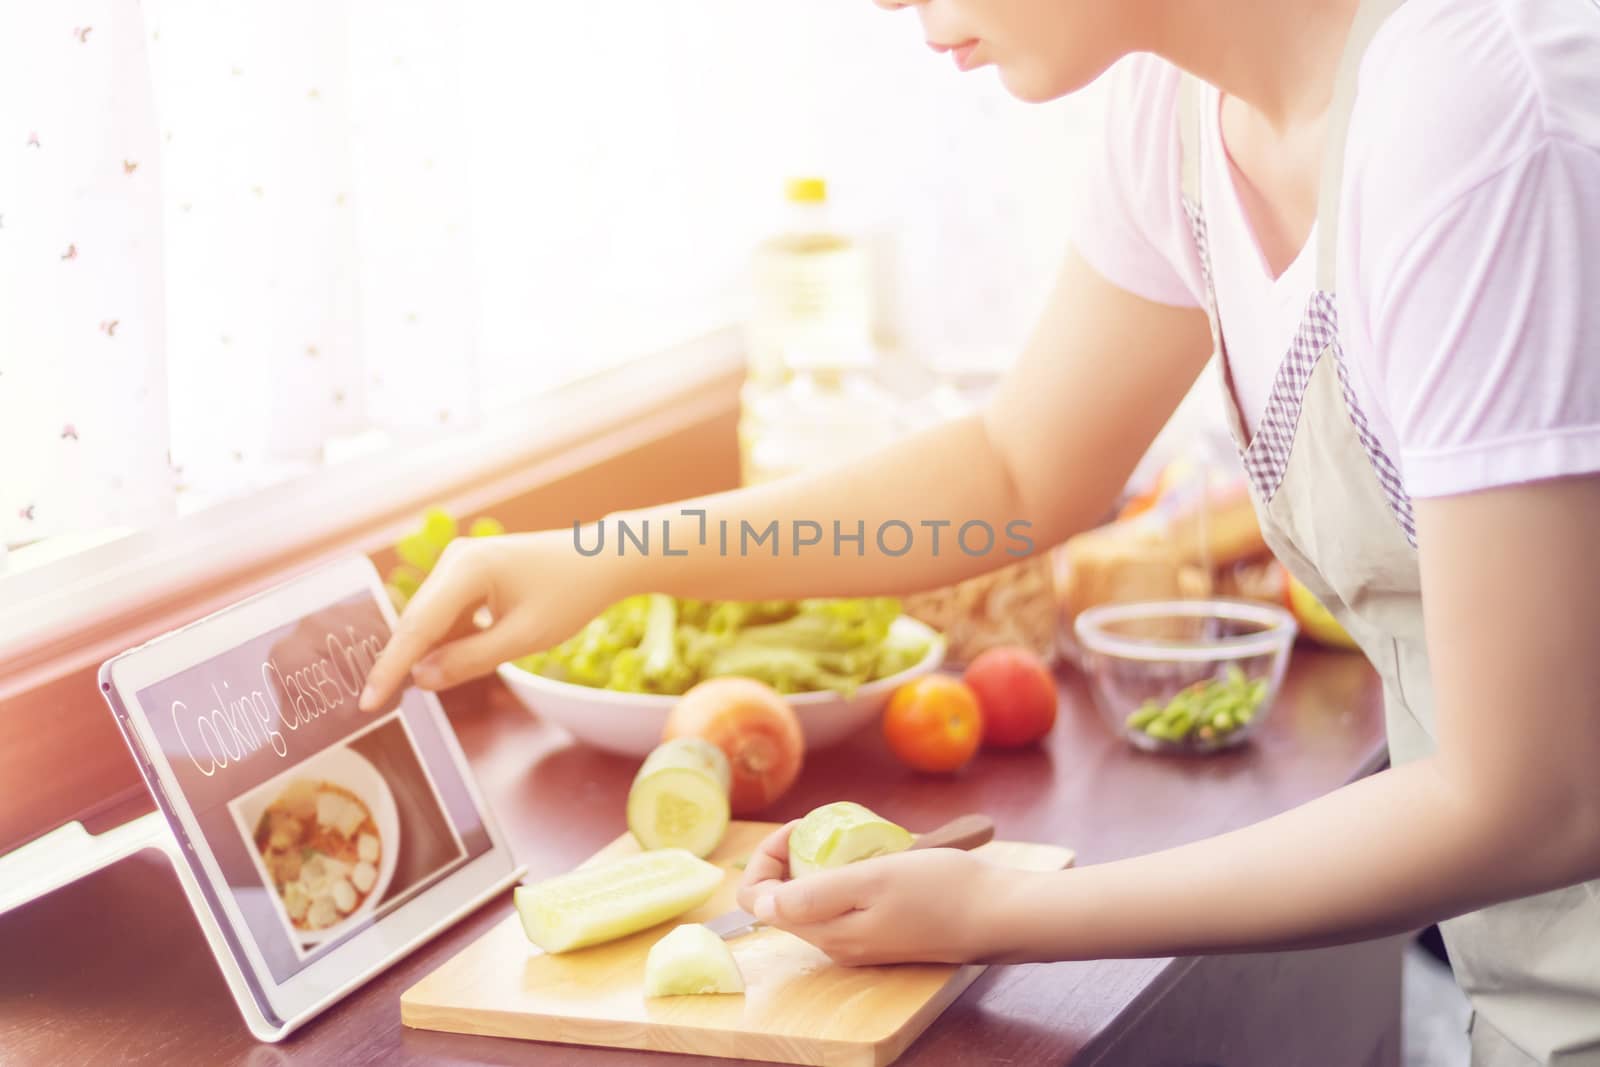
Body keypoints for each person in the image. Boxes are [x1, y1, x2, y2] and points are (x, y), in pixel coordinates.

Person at [359, 0, 1600, 1061]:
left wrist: (996, 908)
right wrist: (603, 559)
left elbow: (1529, 797)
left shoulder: (1473, 116)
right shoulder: (1177, 112)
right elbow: (1017, 468)